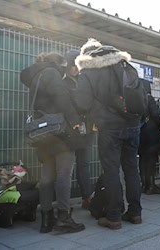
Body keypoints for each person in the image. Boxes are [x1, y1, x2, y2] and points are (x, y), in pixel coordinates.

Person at [74, 39, 142, 229]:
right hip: (133, 124)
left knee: (111, 171)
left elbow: (82, 103)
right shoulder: (126, 66)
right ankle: (135, 213)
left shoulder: (89, 71)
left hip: (110, 127)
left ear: (87, 55)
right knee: (131, 169)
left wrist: (95, 115)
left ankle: (114, 216)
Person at [20, 52, 85, 233]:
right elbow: (62, 98)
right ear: (58, 64)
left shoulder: (36, 77)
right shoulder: (51, 73)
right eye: (63, 66)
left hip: (42, 134)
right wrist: (75, 122)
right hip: (58, 132)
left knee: (47, 176)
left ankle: (46, 219)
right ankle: (63, 217)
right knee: (64, 174)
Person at [63, 49, 94, 209]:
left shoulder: (84, 80)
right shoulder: (62, 82)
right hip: (69, 130)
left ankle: (87, 197)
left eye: (77, 65)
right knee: (66, 167)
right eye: (72, 65)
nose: (75, 68)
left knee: (84, 164)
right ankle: (64, 203)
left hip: (86, 129)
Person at [139, 82, 160, 195]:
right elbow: (156, 115)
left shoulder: (136, 98)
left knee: (142, 159)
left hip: (140, 133)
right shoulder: (149, 98)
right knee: (151, 159)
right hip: (151, 134)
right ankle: (151, 186)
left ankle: (144, 184)